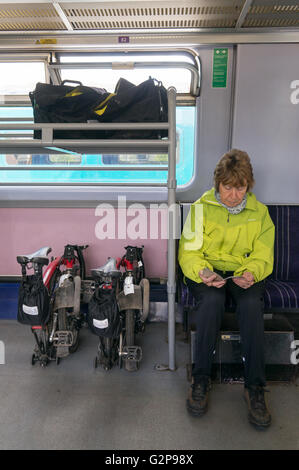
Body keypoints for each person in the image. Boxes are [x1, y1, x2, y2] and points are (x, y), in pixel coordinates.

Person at [178, 149, 275, 429]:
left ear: (249, 186)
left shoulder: (261, 215)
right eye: (228, 187)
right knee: (211, 302)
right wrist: (203, 272)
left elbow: (263, 254)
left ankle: (255, 386)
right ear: (217, 184)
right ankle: (201, 378)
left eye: (240, 188)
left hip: (243, 274)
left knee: (250, 305)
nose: (234, 195)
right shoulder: (200, 208)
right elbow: (189, 251)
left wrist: (252, 273)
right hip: (208, 271)